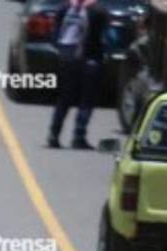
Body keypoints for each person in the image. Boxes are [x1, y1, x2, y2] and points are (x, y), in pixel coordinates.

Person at [46, 0, 106, 150]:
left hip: (68, 59)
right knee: (87, 99)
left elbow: (54, 35)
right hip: (91, 60)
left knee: (65, 98)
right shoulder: (98, 11)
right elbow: (105, 38)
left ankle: (54, 134)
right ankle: (79, 136)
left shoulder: (65, 8)